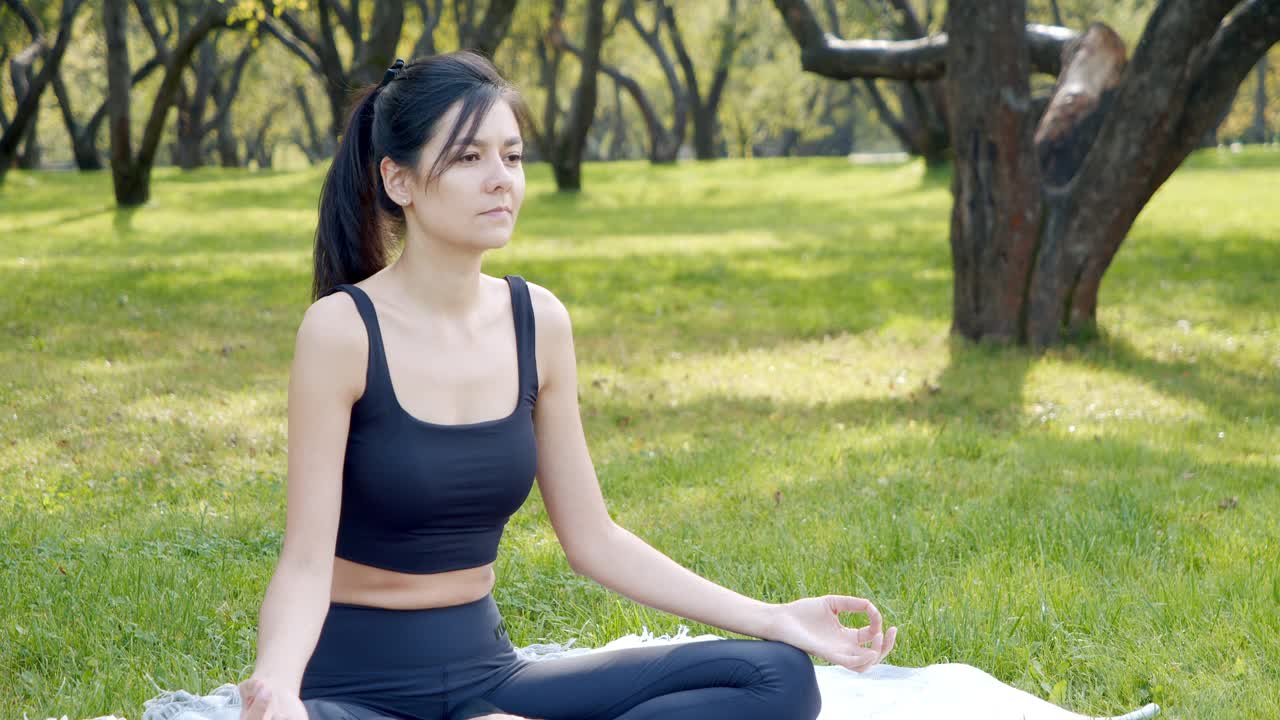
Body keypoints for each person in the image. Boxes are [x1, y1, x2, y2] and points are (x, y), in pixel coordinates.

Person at [237, 51, 897, 720]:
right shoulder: (343, 331)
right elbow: (303, 564)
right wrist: (279, 689)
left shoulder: (539, 322)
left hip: (488, 676)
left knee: (776, 677)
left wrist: (773, 617)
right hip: (357, 694)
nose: (502, 181)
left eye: (513, 157)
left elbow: (594, 540)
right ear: (399, 180)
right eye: (469, 159)